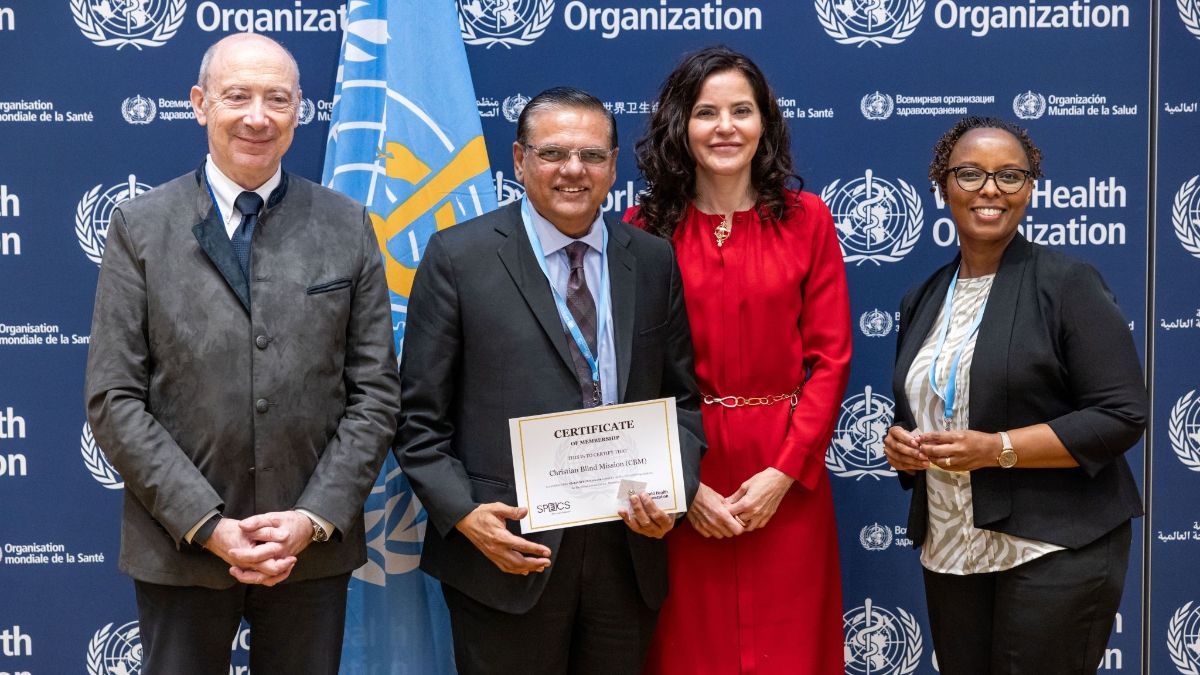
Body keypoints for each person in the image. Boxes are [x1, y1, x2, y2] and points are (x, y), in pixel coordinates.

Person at [84, 33, 400, 674]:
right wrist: (206, 524)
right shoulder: (140, 226)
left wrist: (312, 518)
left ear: (299, 111)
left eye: (276, 99)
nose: (258, 117)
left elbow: (375, 394)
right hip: (180, 547)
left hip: (308, 552)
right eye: (237, 96)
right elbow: (114, 397)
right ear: (200, 104)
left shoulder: (347, 224)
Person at [395, 87, 705, 674]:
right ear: (519, 160)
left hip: (626, 552)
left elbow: (682, 402)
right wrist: (466, 515)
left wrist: (674, 493)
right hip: (507, 548)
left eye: (591, 155)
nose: (573, 170)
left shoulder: (652, 260)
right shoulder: (459, 258)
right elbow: (418, 421)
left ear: (613, 165)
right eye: (553, 153)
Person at [883, 116, 1147, 674]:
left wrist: (997, 448)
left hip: (1054, 547)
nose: (990, 189)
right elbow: (931, 403)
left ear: (1029, 189)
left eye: (1009, 175)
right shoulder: (922, 298)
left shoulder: (1067, 283)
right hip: (952, 550)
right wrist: (903, 447)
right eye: (970, 174)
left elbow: (1121, 414)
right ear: (942, 185)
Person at [627, 47, 851, 674]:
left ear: (764, 124)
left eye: (741, 111)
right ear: (681, 125)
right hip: (685, 461)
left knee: (791, 651)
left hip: (786, 470)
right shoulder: (641, 228)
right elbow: (632, 372)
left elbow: (831, 359)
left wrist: (786, 471)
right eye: (706, 112)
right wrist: (682, 486)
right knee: (689, 650)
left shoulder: (808, 220)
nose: (725, 127)